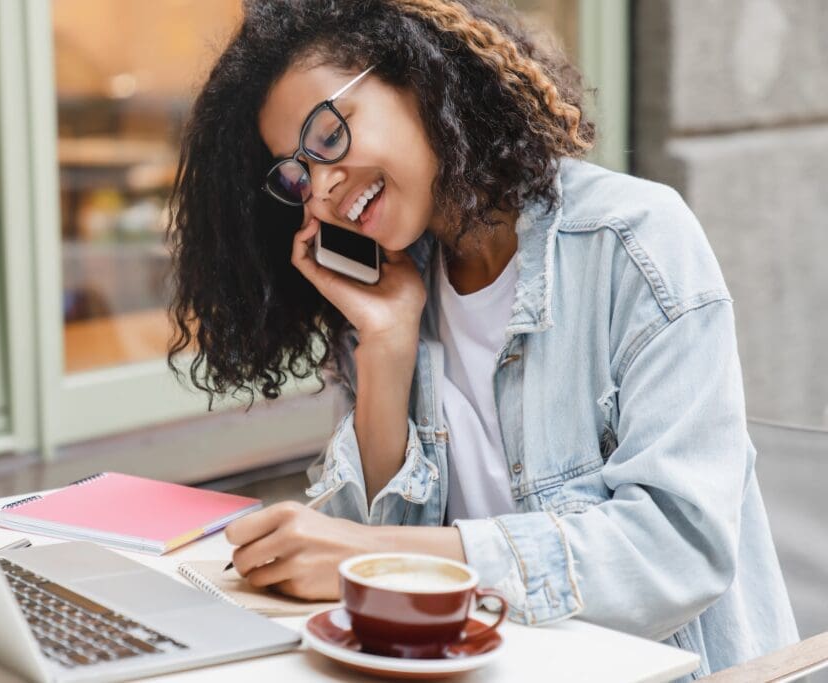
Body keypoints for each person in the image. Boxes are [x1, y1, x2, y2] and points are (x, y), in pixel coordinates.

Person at [166, 0, 799, 677]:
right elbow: (372, 594)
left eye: (326, 136)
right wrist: (386, 344)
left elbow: (678, 549)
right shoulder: (396, 291)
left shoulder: (633, 244)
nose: (321, 188)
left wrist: (372, 556)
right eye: (297, 173)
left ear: (417, 76)